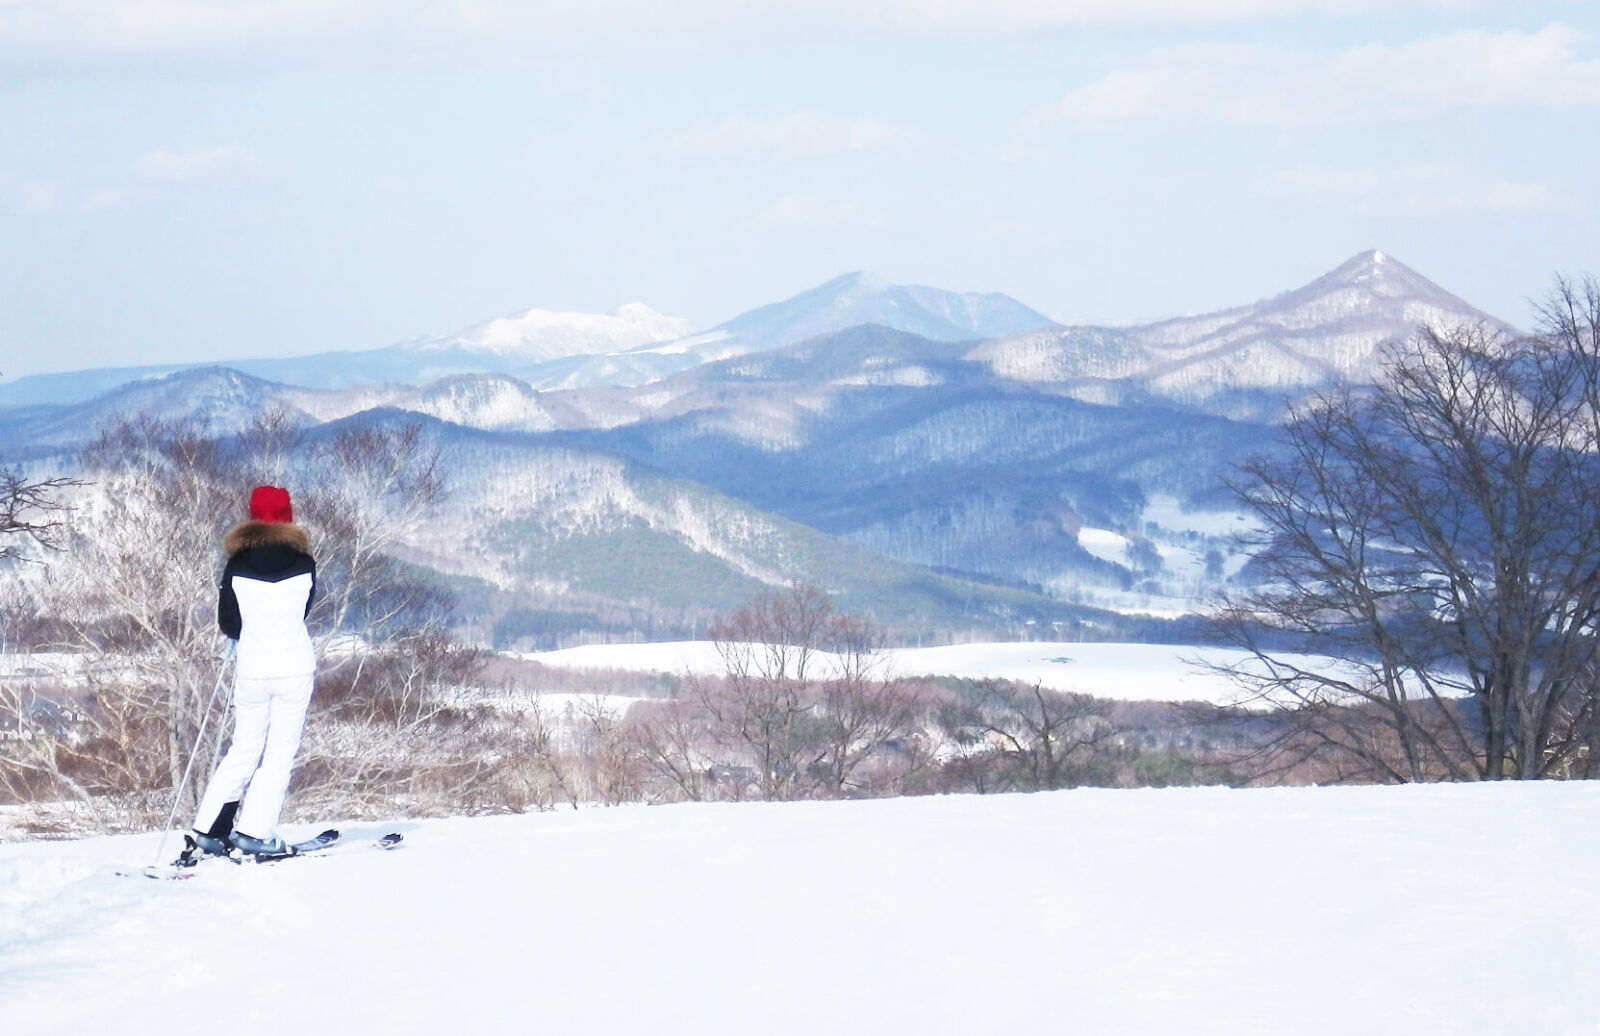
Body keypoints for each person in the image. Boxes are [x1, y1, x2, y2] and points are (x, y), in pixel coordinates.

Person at [189, 485, 318, 857]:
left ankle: (209, 829)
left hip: (252, 670)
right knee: (279, 752)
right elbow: (304, 611)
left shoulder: (236, 567)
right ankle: (254, 832)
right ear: (288, 517)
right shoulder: (304, 564)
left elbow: (229, 624)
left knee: (243, 748)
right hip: (294, 667)